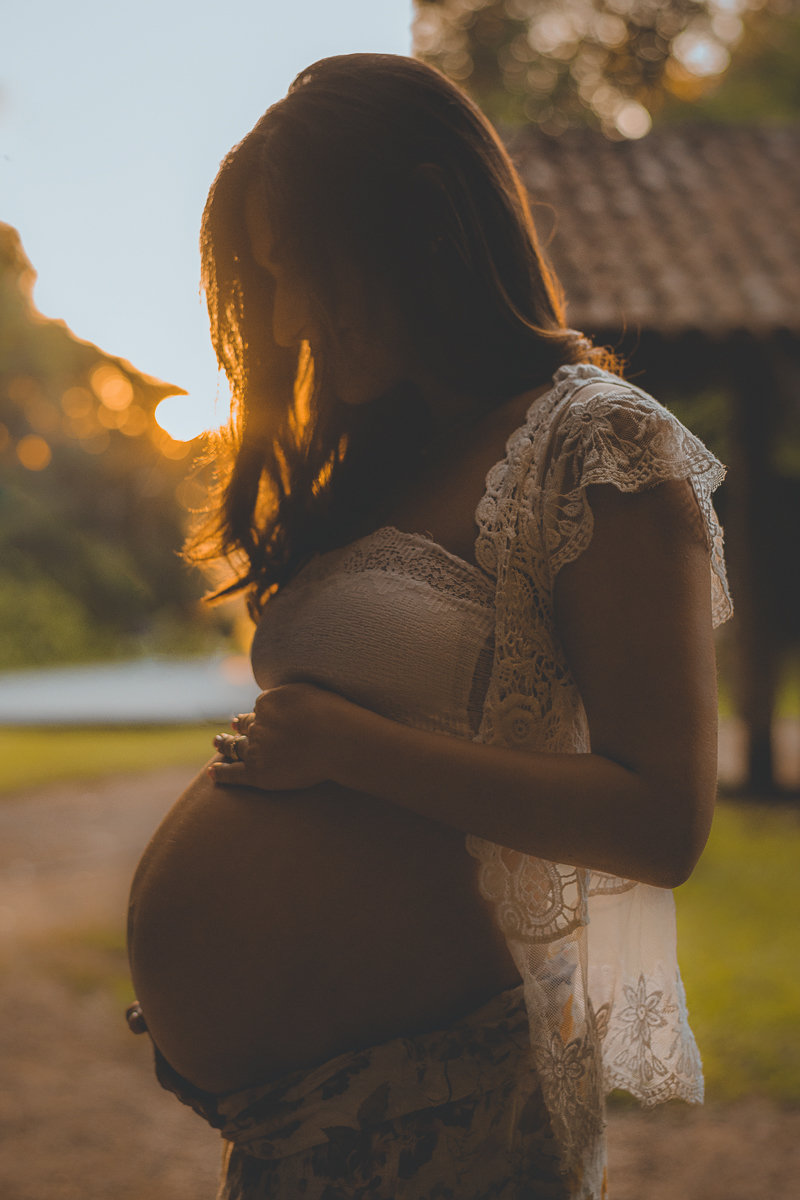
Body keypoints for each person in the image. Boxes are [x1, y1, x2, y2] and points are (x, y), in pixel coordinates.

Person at [126, 53, 732, 1200]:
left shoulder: (597, 445)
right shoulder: (386, 456)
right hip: (301, 1125)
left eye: (300, 268)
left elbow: (662, 823)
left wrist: (346, 749)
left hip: (450, 1117)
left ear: (421, 224)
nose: (291, 315)